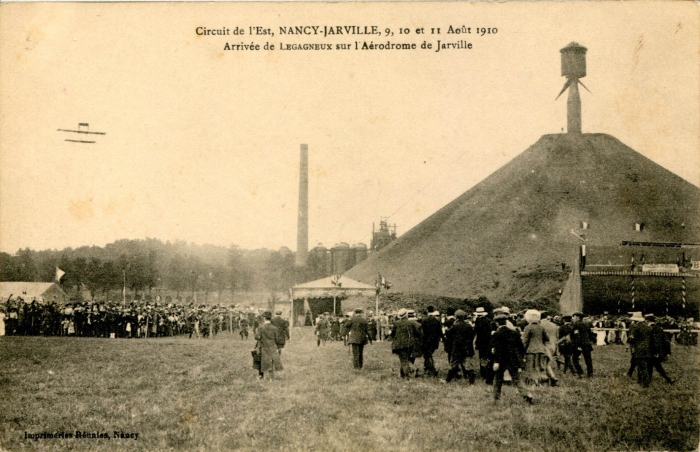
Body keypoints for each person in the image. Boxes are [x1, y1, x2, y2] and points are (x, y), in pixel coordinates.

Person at [492, 313, 533, 404]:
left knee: (498, 379)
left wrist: (496, 361)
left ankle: (496, 398)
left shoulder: (496, 334)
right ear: (506, 322)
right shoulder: (514, 333)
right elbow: (521, 347)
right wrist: (522, 358)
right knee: (517, 379)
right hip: (513, 359)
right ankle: (526, 394)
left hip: (501, 359)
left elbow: (497, 349)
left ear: (497, 323)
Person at [521, 310, 556, 386]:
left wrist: (522, 350)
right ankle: (542, 382)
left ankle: (533, 383)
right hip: (541, 350)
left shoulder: (528, 327)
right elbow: (547, 338)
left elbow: (525, 341)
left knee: (531, 368)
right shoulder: (542, 327)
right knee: (540, 367)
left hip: (531, 350)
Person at [444, 310, 477, 384]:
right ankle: (471, 379)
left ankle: (448, 380)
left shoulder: (455, 325)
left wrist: (446, 330)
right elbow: (472, 335)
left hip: (457, 347)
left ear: (456, 317)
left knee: (453, 364)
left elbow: (448, 334)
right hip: (466, 347)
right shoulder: (468, 325)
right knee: (467, 364)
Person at [392, 309, 421, 378]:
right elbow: (417, 333)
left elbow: (393, 333)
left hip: (399, 344)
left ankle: (409, 374)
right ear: (406, 315)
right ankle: (403, 374)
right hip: (410, 344)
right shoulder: (411, 323)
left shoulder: (396, 323)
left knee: (403, 360)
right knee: (407, 359)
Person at [254, 311, 283, 380]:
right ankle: (271, 377)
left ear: (264, 318)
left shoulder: (261, 327)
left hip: (263, 346)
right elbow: (277, 339)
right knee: (272, 361)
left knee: (260, 360)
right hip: (272, 346)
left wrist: (256, 332)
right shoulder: (274, 328)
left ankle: (261, 377)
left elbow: (257, 337)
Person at [646, 314, 675, 385]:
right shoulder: (659, 328)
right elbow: (666, 341)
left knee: (652, 366)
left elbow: (655, 342)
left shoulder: (650, 329)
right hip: (658, 352)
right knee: (656, 366)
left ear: (647, 321)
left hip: (652, 351)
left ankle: (648, 382)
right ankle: (668, 379)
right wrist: (667, 352)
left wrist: (655, 352)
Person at [627, 311, 651, 386]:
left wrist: (630, 339)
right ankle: (640, 380)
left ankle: (645, 383)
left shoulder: (637, 327)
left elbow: (633, 339)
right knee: (644, 365)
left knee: (641, 366)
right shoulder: (647, 326)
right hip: (647, 348)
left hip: (639, 348)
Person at [420, 306, 443, 377]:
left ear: (427, 311)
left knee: (427, 355)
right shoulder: (437, 320)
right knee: (428, 354)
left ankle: (431, 369)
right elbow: (440, 331)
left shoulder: (424, 320)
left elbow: (422, 331)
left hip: (426, 340)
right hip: (434, 341)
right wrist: (443, 339)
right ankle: (428, 369)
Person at [570, 312, 593, 377]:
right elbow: (590, 334)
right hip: (587, 344)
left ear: (578, 317)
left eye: (574, 317)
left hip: (580, 345)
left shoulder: (576, 325)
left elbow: (577, 335)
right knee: (588, 360)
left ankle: (580, 372)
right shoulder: (586, 324)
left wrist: (578, 345)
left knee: (574, 359)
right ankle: (590, 373)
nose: (573, 318)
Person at [474, 307, 493, 383]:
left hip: (481, 342)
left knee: (482, 357)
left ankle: (484, 372)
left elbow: (476, 331)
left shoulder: (478, 321)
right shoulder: (488, 321)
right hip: (487, 342)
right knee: (487, 357)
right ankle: (486, 371)